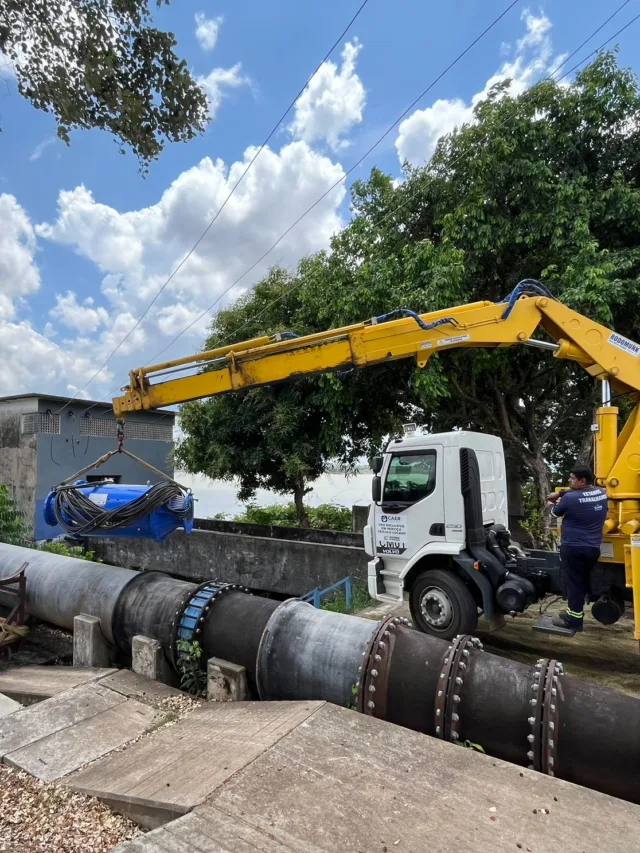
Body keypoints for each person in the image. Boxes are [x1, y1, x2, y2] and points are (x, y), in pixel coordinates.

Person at [546, 464, 607, 632]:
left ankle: (573, 620)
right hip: (593, 549)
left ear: (582, 481)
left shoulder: (570, 499)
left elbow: (555, 513)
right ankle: (576, 612)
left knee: (574, 585)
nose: (569, 480)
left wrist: (550, 502)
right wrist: (561, 492)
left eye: (572, 478)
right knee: (581, 581)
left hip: (573, 548)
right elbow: (578, 494)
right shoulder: (601, 492)